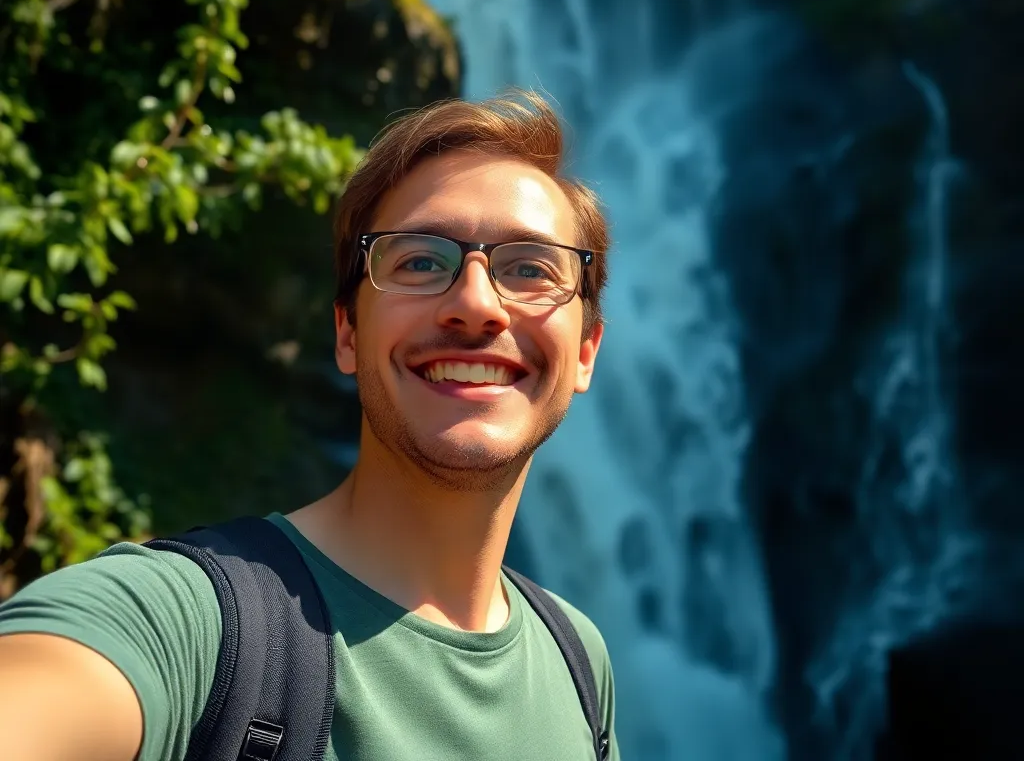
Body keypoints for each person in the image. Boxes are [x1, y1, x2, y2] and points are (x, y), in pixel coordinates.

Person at [0, 90, 619, 761]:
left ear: (585, 352)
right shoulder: (187, 625)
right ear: (347, 334)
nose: (475, 304)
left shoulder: (578, 661)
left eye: (530, 268)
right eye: (418, 261)